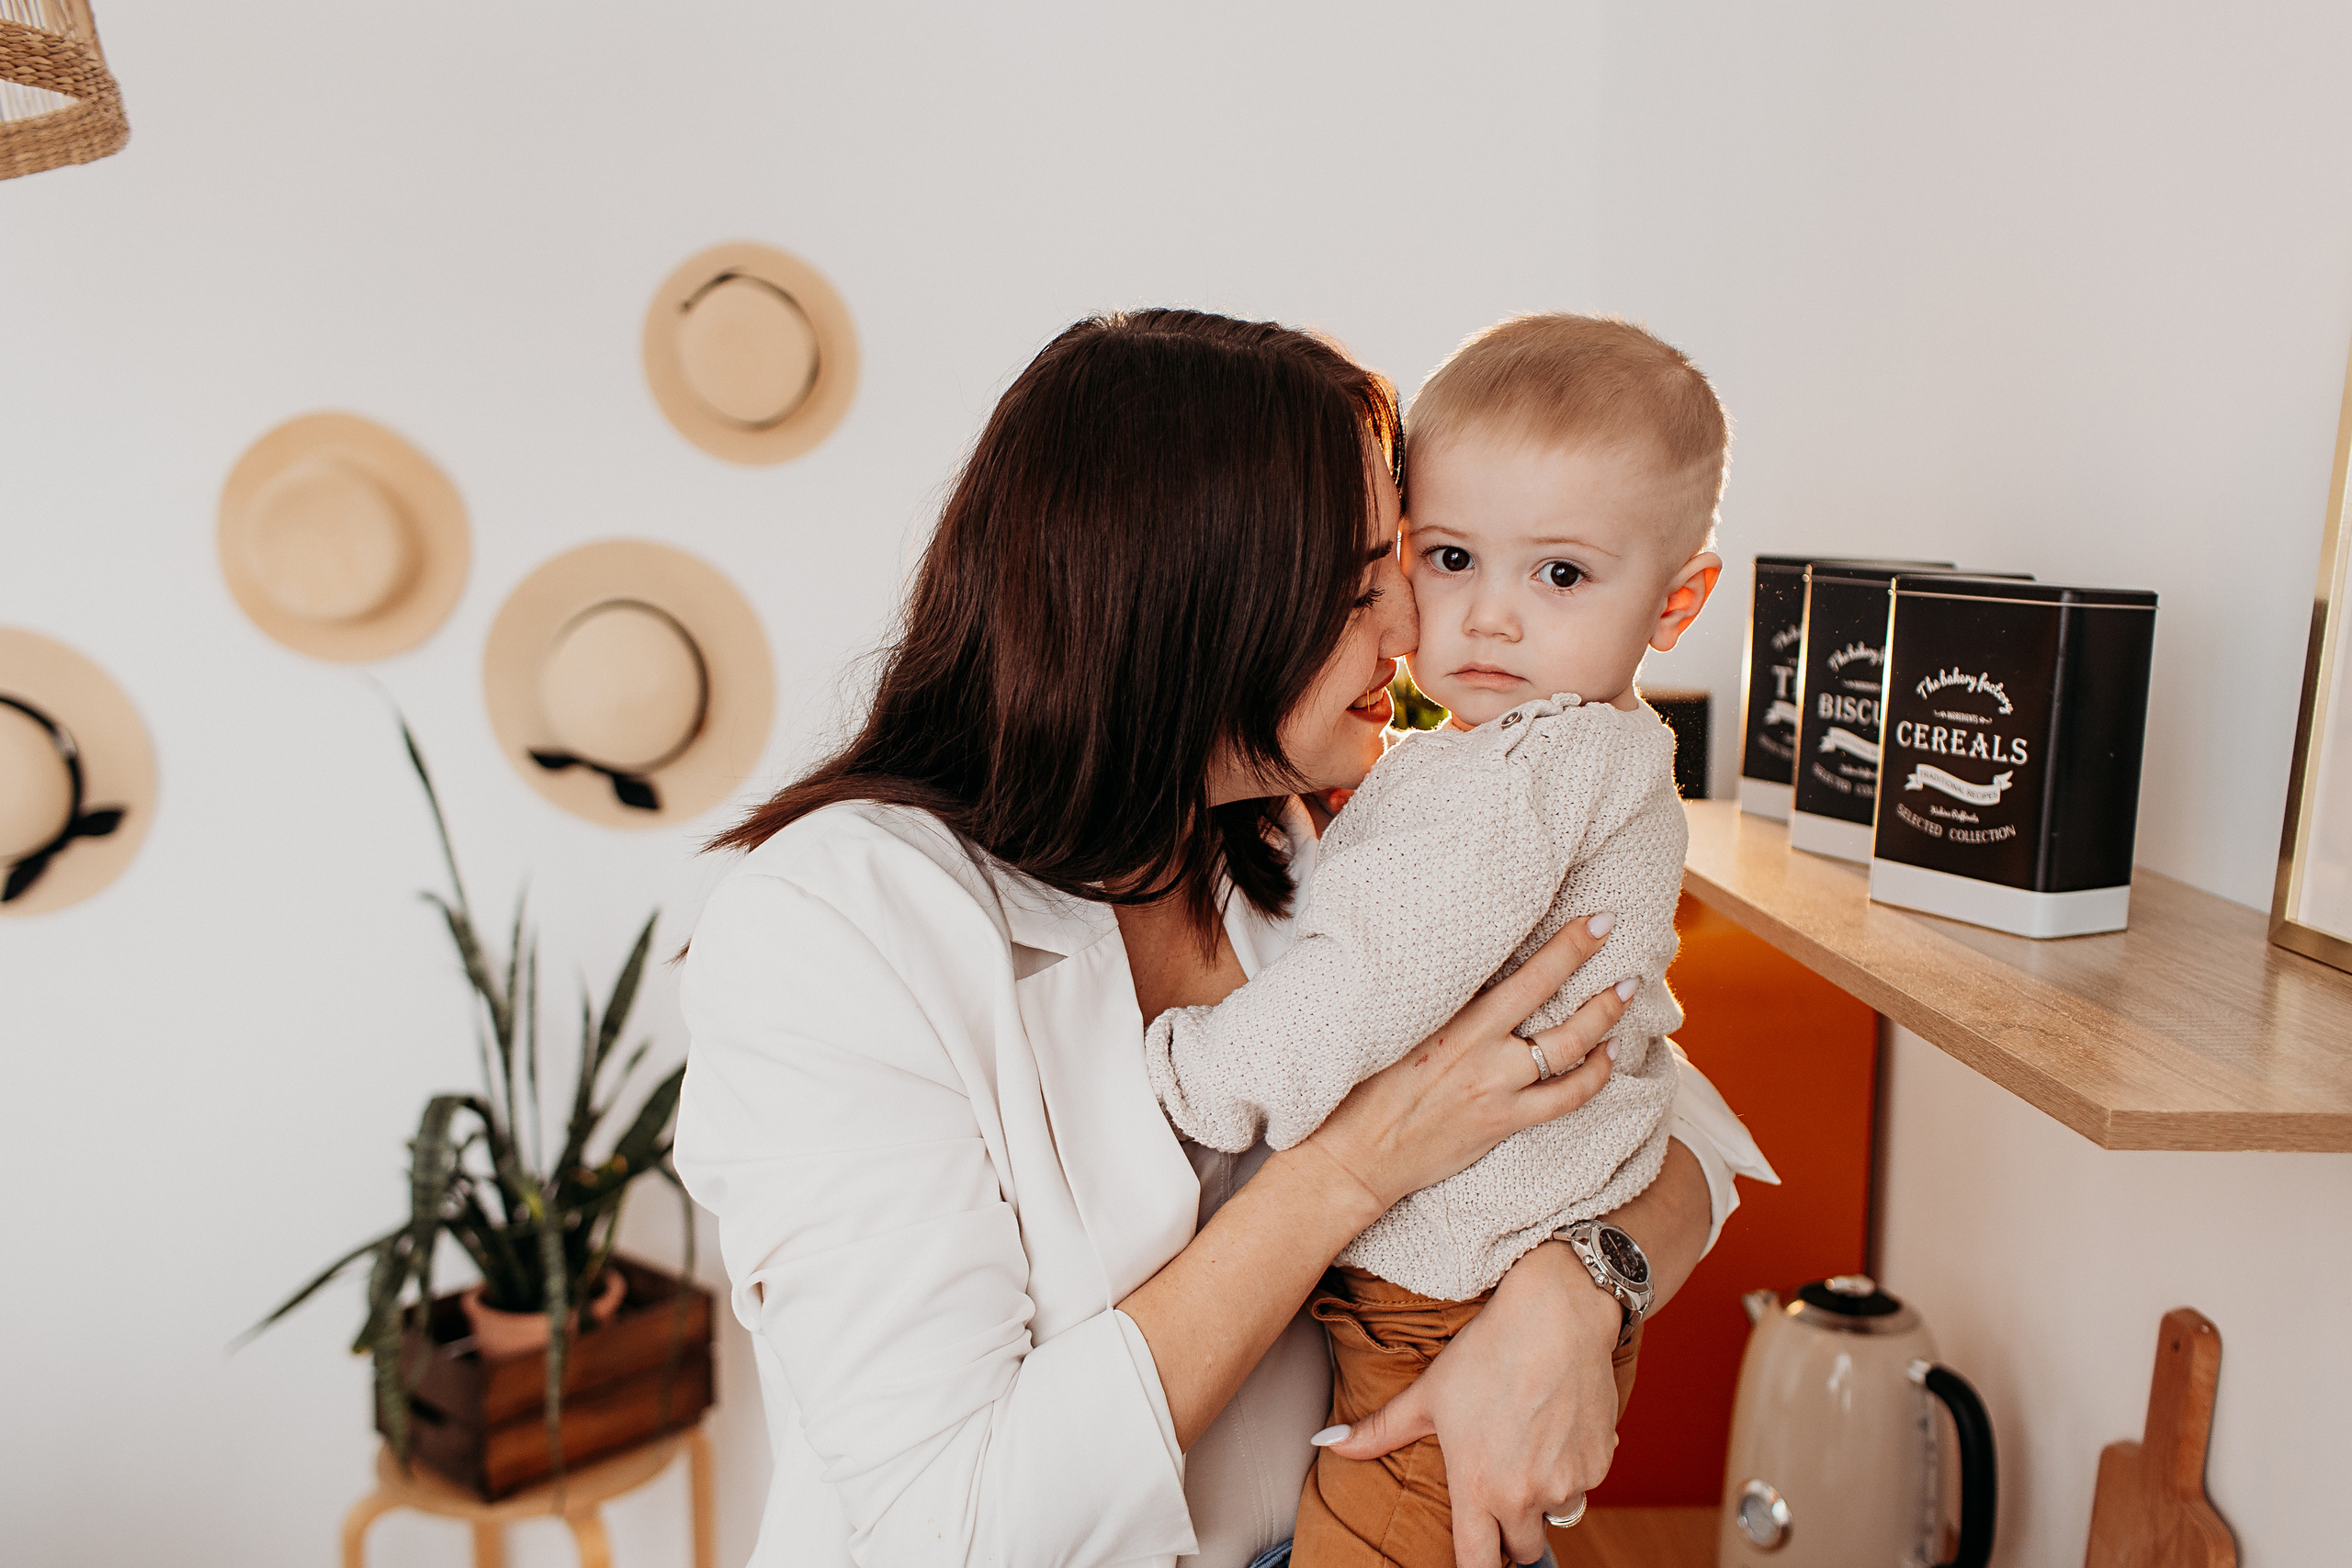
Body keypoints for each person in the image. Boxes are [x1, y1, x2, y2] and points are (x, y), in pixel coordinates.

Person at [673, 309, 1773, 1568]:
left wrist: (1577, 1295)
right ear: (1192, 610)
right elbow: (954, 1529)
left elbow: (1671, 1105)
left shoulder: (1314, 836)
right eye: (1371, 585)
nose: (1415, 631)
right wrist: (1353, 1170)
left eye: (1405, 568)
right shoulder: (839, 924)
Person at [1141, 313, 1729, 1566]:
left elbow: (1373, 977)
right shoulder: (1533, 758)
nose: (1483, 620)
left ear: (1678, 601)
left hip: (1449, 1304)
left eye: (1559, 575)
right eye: (1450, 557)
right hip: (1474, 1281)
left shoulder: (1517, 777)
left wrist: (1206, 1072)